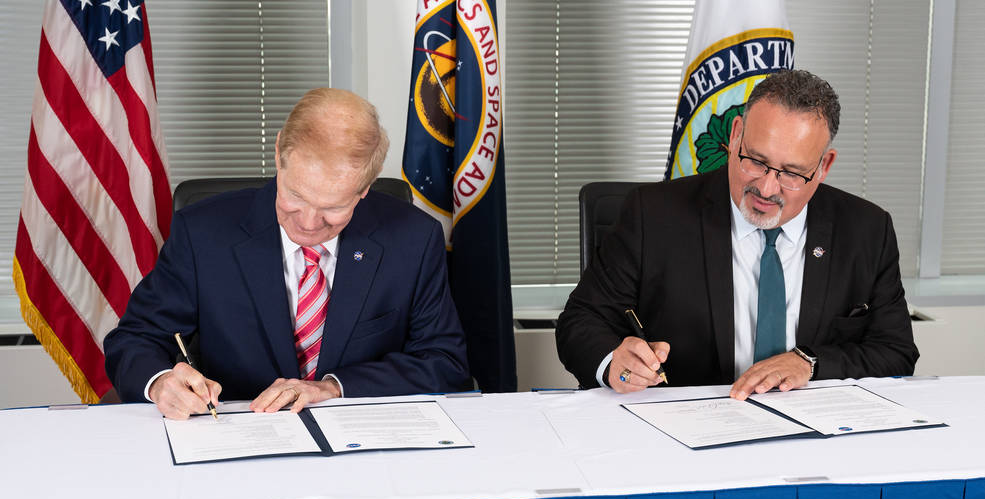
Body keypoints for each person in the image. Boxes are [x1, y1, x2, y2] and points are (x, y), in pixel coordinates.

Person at [105, 88, 470, 419]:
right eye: (295, 196)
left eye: (334, 206)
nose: (310, 223)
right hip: (235, 437)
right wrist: (159, 382)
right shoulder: (202, 233)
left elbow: (444, 363)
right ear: (279, 154)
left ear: (365, 188)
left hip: (358, 443)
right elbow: (134, 339)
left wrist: (332, 387)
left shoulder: (414, 239)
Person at [556, 69, 918, 399]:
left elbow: (895, 352)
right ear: (735, 135)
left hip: (814, 439)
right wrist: (613, 364)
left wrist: (810, 362)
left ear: (824, 166)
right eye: (756, 161)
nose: (766, 187)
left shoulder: (867, 229)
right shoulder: (652, 214)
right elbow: (580, 322)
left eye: (792, 173)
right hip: (682, 430)